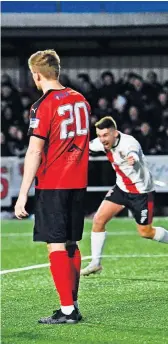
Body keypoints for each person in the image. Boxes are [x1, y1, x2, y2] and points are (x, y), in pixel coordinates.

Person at [15, 49, 90, 324]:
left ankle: (67, 311)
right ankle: (73, 303)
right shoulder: (80, 99)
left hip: (54, 183)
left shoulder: (43, 106)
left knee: (55, 245)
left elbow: (34, 152)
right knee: (71, 243)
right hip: (78, 183)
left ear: (36, 74)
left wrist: (22, 194)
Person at [80, 116, 168, 276]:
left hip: (141, 192)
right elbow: (84, 147)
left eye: (105, 135)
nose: (102, 139)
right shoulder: (101, 143)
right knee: (98, 220)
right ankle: (96, 263)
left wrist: (133, 158)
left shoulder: (129, 143)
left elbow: (133, 153)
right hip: (121, 189)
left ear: (115, 133)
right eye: (100, 135)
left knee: (145, 232)